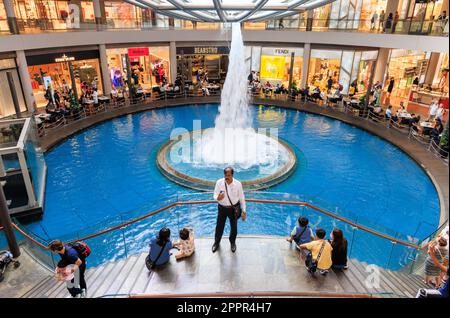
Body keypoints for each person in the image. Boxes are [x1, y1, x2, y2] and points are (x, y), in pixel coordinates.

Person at [212, 166, 247, 253]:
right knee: (219, 226)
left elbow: (242, 197)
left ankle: (232, 243)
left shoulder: (238, 184)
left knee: (234, 227)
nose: (226, 177)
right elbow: (215, 195)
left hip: (233, 208)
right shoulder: (219, 182)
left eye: (228, 175)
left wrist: (244, 211)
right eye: (225, 175)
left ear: (232, 175)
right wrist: (218, 197)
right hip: (222, 208)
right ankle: (216, 242)